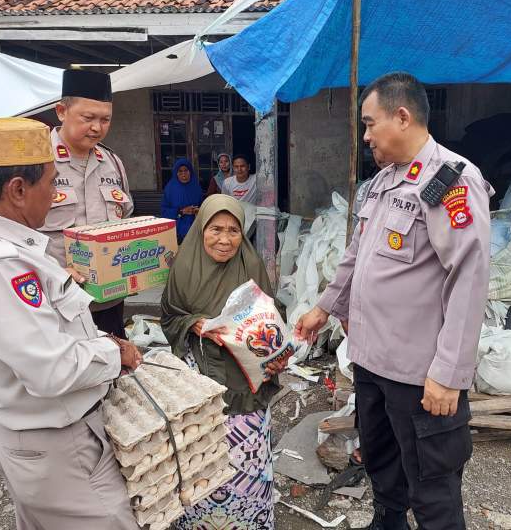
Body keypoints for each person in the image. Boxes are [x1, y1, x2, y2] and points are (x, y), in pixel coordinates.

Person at [296, 72, 493, 530]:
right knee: (383, 465)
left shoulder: (451, 182)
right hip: (370, 362)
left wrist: (449, 374)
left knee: (432, 486)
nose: (365, 137)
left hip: (418, 375)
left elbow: (469, 278)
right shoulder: (384, 181)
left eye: (369, 124)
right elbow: (356, 255)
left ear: (402, 117)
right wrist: (324, 307)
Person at [0, 117, 143, 530]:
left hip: (32, 440)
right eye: (51, 184)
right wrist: (116, 353)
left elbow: (45, 331)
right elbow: (51, 369)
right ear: (17, 189)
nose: (55, 195)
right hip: (56, 446)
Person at [161, 194, 288, 529]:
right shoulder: (184, 268)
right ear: (201, 228)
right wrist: (196, 324)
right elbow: (170, 318)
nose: (224, 238)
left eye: (233, 230)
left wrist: (276, 356)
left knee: (247, 470)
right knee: (200, 467)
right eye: (215, 228)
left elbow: (273, 315)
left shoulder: (251, 264)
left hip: (245, 385)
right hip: (200, 387)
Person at [39, 69, 133, 339]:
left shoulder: (113, 162)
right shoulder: (38, 161)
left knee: (114, 369)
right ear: (61, 111)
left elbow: (126, 217)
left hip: (109, 300)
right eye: (88, 118)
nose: (97, 127)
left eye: (105, 120)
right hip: (57, 299)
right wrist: (51, 271)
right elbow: (16, 236)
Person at [161, 158, 203, 242]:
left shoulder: (196, 187)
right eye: (180, 171)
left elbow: (202, 206)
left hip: (195, 228)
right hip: (176, 230)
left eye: (186, 170)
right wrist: (182, 211)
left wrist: (198, 210)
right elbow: (164, 211)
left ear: (190, 171)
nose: (183, 174)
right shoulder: (170, 189)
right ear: (176, 173)